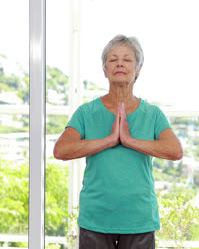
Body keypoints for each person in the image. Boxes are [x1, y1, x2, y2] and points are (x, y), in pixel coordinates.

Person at [53, 34, 183, 249]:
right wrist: (109, 140)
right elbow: (61, 150)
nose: (120, 63)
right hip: (95, 217)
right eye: (112, 60)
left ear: (138, 69)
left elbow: (175, 151)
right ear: (105, 70)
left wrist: (129, 140)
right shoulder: (87, 112)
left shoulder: (152, 114)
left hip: (139, 219)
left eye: (127, 59)